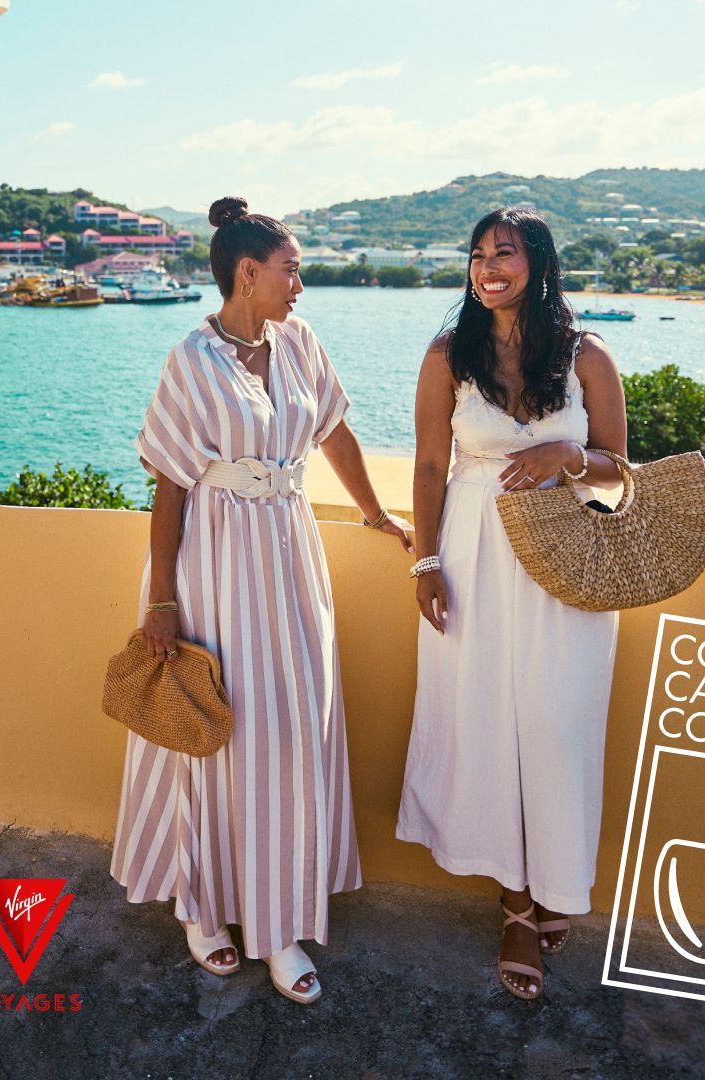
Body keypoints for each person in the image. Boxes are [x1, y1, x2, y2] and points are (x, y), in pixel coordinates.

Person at [110, 195, 412, 1005]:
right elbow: (170, 487)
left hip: (288, 555)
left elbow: (335, 432)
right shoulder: (191, 359)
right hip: (213, 563)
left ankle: (277, 926)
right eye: (291, 270)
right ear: (248, 273)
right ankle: (201, 911)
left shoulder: (300, 343)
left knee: (288, 734)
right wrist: (163, 602)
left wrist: (375, 512)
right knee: (211, 728)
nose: (300, 285)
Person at [395, 206, 627, 1000]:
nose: (489, 266)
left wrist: (571, 454)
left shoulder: (586, 354)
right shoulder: (446, 355)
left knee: (558, 723)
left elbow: (618, 471)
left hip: (567, 563)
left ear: (539, 262)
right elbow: (429, 466)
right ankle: (518, 903)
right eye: (477, 254)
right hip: (473, 555)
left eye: (506, 252)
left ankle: (558, 875)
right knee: (488, 720)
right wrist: (426, 560)